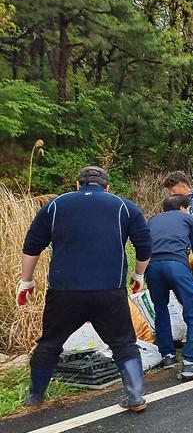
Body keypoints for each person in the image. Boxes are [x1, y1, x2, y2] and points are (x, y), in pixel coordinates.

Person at [17, 166, 152, 411]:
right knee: (123, 343)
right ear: (107, 187)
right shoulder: (124, 206)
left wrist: (26, 281)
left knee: (50, 342)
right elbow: (144, 246)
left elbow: (32, 245)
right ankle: (135, 396)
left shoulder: (56, 206)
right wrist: (138, 275)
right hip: (109, 290)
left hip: (64, 291)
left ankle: (35, 395)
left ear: (77, 185)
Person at [146, 194, 193, 377]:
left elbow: (143, 245)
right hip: (176, 265)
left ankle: (168, 356)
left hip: (152, 267)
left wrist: (139, 274)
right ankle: (190, 362)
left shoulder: (153, 220)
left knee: (160, 309)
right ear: (182, 207)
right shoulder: (188, 218)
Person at [162, 171, 193, 281]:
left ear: (184, 187)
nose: (171, 194)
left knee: (188, 288)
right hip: (182, 255)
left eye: (173, 190)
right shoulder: (181, 202)